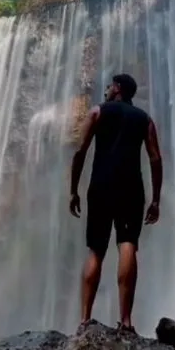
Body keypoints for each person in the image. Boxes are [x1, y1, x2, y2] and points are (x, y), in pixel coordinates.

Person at [69, 73, 162, 333]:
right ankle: (126, 321)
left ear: (118, 88)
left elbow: (80, 151)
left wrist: (73, 190)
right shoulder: (144, 119)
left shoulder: (98, 112)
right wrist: (155, 199)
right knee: (128, 244)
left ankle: (85, 320)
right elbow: (155, 159)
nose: (107, 89)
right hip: (131, 188)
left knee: (96, 250)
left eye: (110, 85)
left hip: (100, 186)